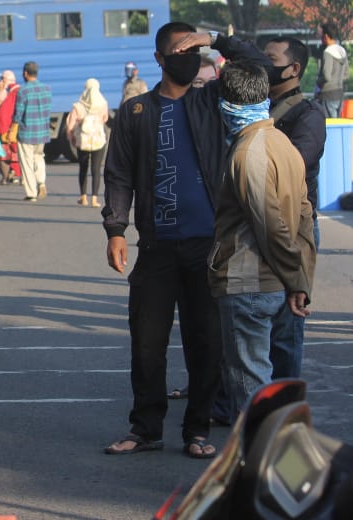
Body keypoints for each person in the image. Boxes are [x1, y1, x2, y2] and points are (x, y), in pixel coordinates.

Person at [102, 22, 270, 459]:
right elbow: (118, 174)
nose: (188, 56)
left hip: (208, 248)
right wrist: (116, 230)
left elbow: (260, 67)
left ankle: (197, 430)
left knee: (205, 345)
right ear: (159, 59)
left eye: (193, 50)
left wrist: (213, 39)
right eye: (179, 50)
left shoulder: (211, 101)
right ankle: (145, 429)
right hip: (156, 248)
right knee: (146, 345)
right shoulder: (136, 112)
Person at [209, 61, 315, 418]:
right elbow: (304, 217)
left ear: (226, 102)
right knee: (264, 392)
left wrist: (295, 278)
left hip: (249, 282)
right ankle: (269, 465)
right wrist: (301, 279)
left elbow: (270, 225)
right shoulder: (281, 143)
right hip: (273, 282)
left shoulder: (247, 152)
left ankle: (266, 470)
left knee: (252, 396)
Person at [263, 35, 326, 376]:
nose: (263, 66)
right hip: (256, 222)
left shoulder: (308, 114)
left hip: (293, 225)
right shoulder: (255, 108)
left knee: (286, 327)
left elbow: (295, 164)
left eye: (270, 60)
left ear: (294, 68)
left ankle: (283, 410)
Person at [64, 78, 109, 208]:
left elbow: (70, 125)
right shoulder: (103, 104)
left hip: (82, 140)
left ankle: (83, 197)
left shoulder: (78, 106)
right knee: (96, 169)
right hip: (98, 141)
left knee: (83, 168)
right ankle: (94, 198)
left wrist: (71, 137)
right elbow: (104, 119)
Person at [12, 61, 52, 202]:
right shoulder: (47, 89)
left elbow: (18, 113)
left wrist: (13, 126)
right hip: (42, 131)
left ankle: (31, 193)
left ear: (25, 73)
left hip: (26, 131)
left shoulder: (23, 90)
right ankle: (41, 181)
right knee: (39, 157)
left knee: (27, 162)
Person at [316, 23, 347, 118]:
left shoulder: (328, 52)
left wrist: (318, 82)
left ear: (326, 36)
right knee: (336, 124)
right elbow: (346, 75)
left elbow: (327, 76)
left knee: (329, 125)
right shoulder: (342, 50)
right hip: (340, 93)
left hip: (328, 94)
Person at [0, 69, 21, 185]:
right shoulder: (14, 90)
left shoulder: (10, 91)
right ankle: (12, 173)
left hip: (7, 127)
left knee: (4, 153)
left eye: (2, 79)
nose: (0, 81)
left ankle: (7, 175)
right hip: (9, 127)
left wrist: (2, 90)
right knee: (10, 152)